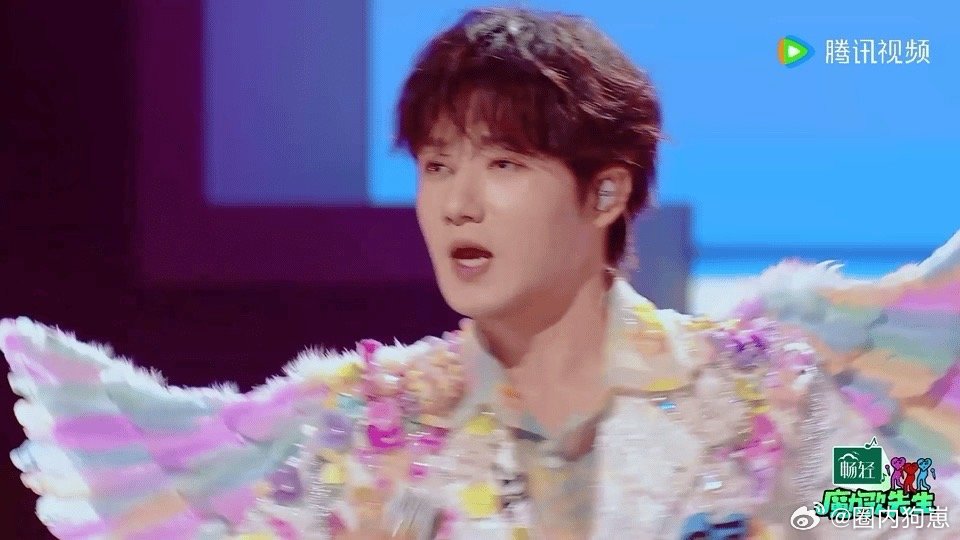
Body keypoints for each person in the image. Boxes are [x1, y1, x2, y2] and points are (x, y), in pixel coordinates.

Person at [4, 7, 959, 539]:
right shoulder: (357, 428)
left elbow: (915, 527)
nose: (458, 202)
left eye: (503, 164)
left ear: (604, 192)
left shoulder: (761, 394)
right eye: (436, 165)